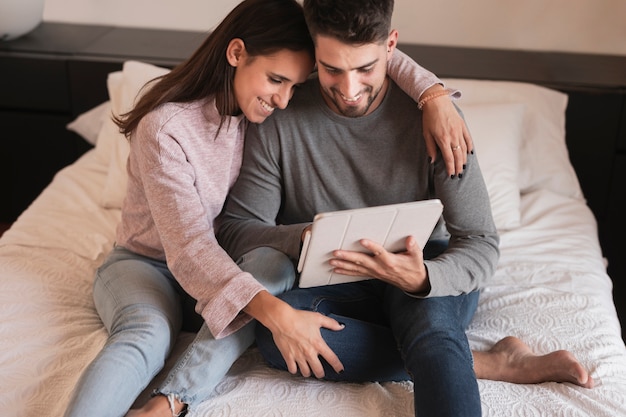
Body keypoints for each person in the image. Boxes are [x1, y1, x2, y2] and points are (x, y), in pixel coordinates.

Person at [63, 0, 473, 416]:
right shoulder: (166, 129)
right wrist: (276, 313)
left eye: (293, 85)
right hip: (150, 263)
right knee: (147, 334)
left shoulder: (261, 106)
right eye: (276, 80)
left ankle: (170, 401)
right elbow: (190, 251)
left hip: (222, 269)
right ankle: (461, 362)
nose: (283, 100)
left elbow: (359, 55)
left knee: (271, 266)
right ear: (236, 53)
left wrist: (432, 94)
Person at [215, 1, 594, 416]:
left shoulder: (436, 120)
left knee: (429, 324)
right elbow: (236, 228)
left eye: (365, 69)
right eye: (332, 70)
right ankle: (488, 361)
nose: (350, 89)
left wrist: (423, 279)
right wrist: (303, 236)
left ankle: (437, 345)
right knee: (275, 336)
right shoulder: (281, 115)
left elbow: (481, 244)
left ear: (391, 46)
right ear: (313, 51)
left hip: (425, 270)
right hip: (336, 281)